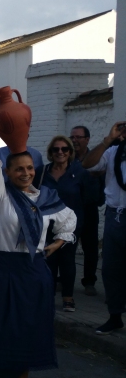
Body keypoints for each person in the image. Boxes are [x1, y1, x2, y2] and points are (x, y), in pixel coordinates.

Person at [0, 95, 75, 378]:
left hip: (34, 271)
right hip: (3, 268)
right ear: (9, 172)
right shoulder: (0, 194)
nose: (26, 173)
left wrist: (55, 245)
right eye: (19, 169)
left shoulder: (47, 198)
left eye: (30, 168)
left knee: (27, 331)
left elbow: (69, 222)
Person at [79, 121, 126, 335]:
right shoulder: (114, 152)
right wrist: (108, 140)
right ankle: (115, 316)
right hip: (114, 216)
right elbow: (87, 165)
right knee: (111, 270)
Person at [36, 136, 87, 312]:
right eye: (56, 149)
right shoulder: (42, 172)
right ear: (50, 153)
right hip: (46, 225)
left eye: (64, 149)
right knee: (48, 260)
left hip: (69, 226)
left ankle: (68, 297)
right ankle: (47, 296)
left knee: (67, 261)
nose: (60, 152)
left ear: (70, 152)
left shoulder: (79, 172)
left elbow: (88, 199)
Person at [70, 125, 103, 295]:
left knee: (90, 246)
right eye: (72, 137)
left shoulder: (95, 158)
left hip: (89, 208)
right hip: (70, 209)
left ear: (87, 139)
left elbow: (104, 179)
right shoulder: (67, 159)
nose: (74, 140)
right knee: (67, 244)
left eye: (78, 137)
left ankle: (89, 281)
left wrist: (98, 200)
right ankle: (64, 278)